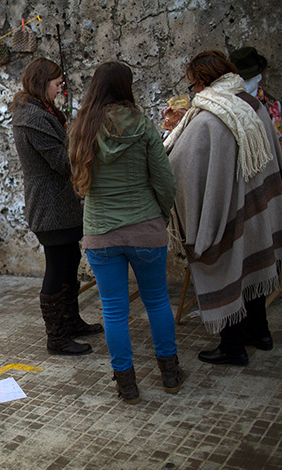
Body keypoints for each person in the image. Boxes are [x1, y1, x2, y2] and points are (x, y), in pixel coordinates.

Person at [68, 61, 181, 404]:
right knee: (158, 301)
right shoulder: (145, 126)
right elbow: (164, 180)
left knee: (114, 310)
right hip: (145, 228)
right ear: (125, 87)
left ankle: (127, 385)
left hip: (101, 233)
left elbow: (78, 183)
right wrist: (159, 217)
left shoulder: (81, 129)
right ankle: (171, 374)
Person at [164, 50, 282, 366]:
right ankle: (260, 333)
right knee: (253, 268)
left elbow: (177, 164)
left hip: (228, 209)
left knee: (230, 266)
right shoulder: (251, 103)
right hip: (258, 207)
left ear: (203, 82)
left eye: (193, 85)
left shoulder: (209, 119)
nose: (194, 92)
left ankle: (233, 348)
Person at [11, 58, 103, 356]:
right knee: (57, 266)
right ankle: (56, 338)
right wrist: (88, 144)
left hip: (60, 204)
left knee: (69, 259)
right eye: (56, 82)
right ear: (41, 83)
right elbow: (62, 162)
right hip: (49, 206)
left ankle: (70, 321)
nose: (60, 86)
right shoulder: (33, 118)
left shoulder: (42, 111)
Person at [229, 46, 282, 149]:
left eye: (246, 79)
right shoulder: (227, 104)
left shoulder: (272, 106)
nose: (242, 83)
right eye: (238, 79)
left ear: (258, 77)